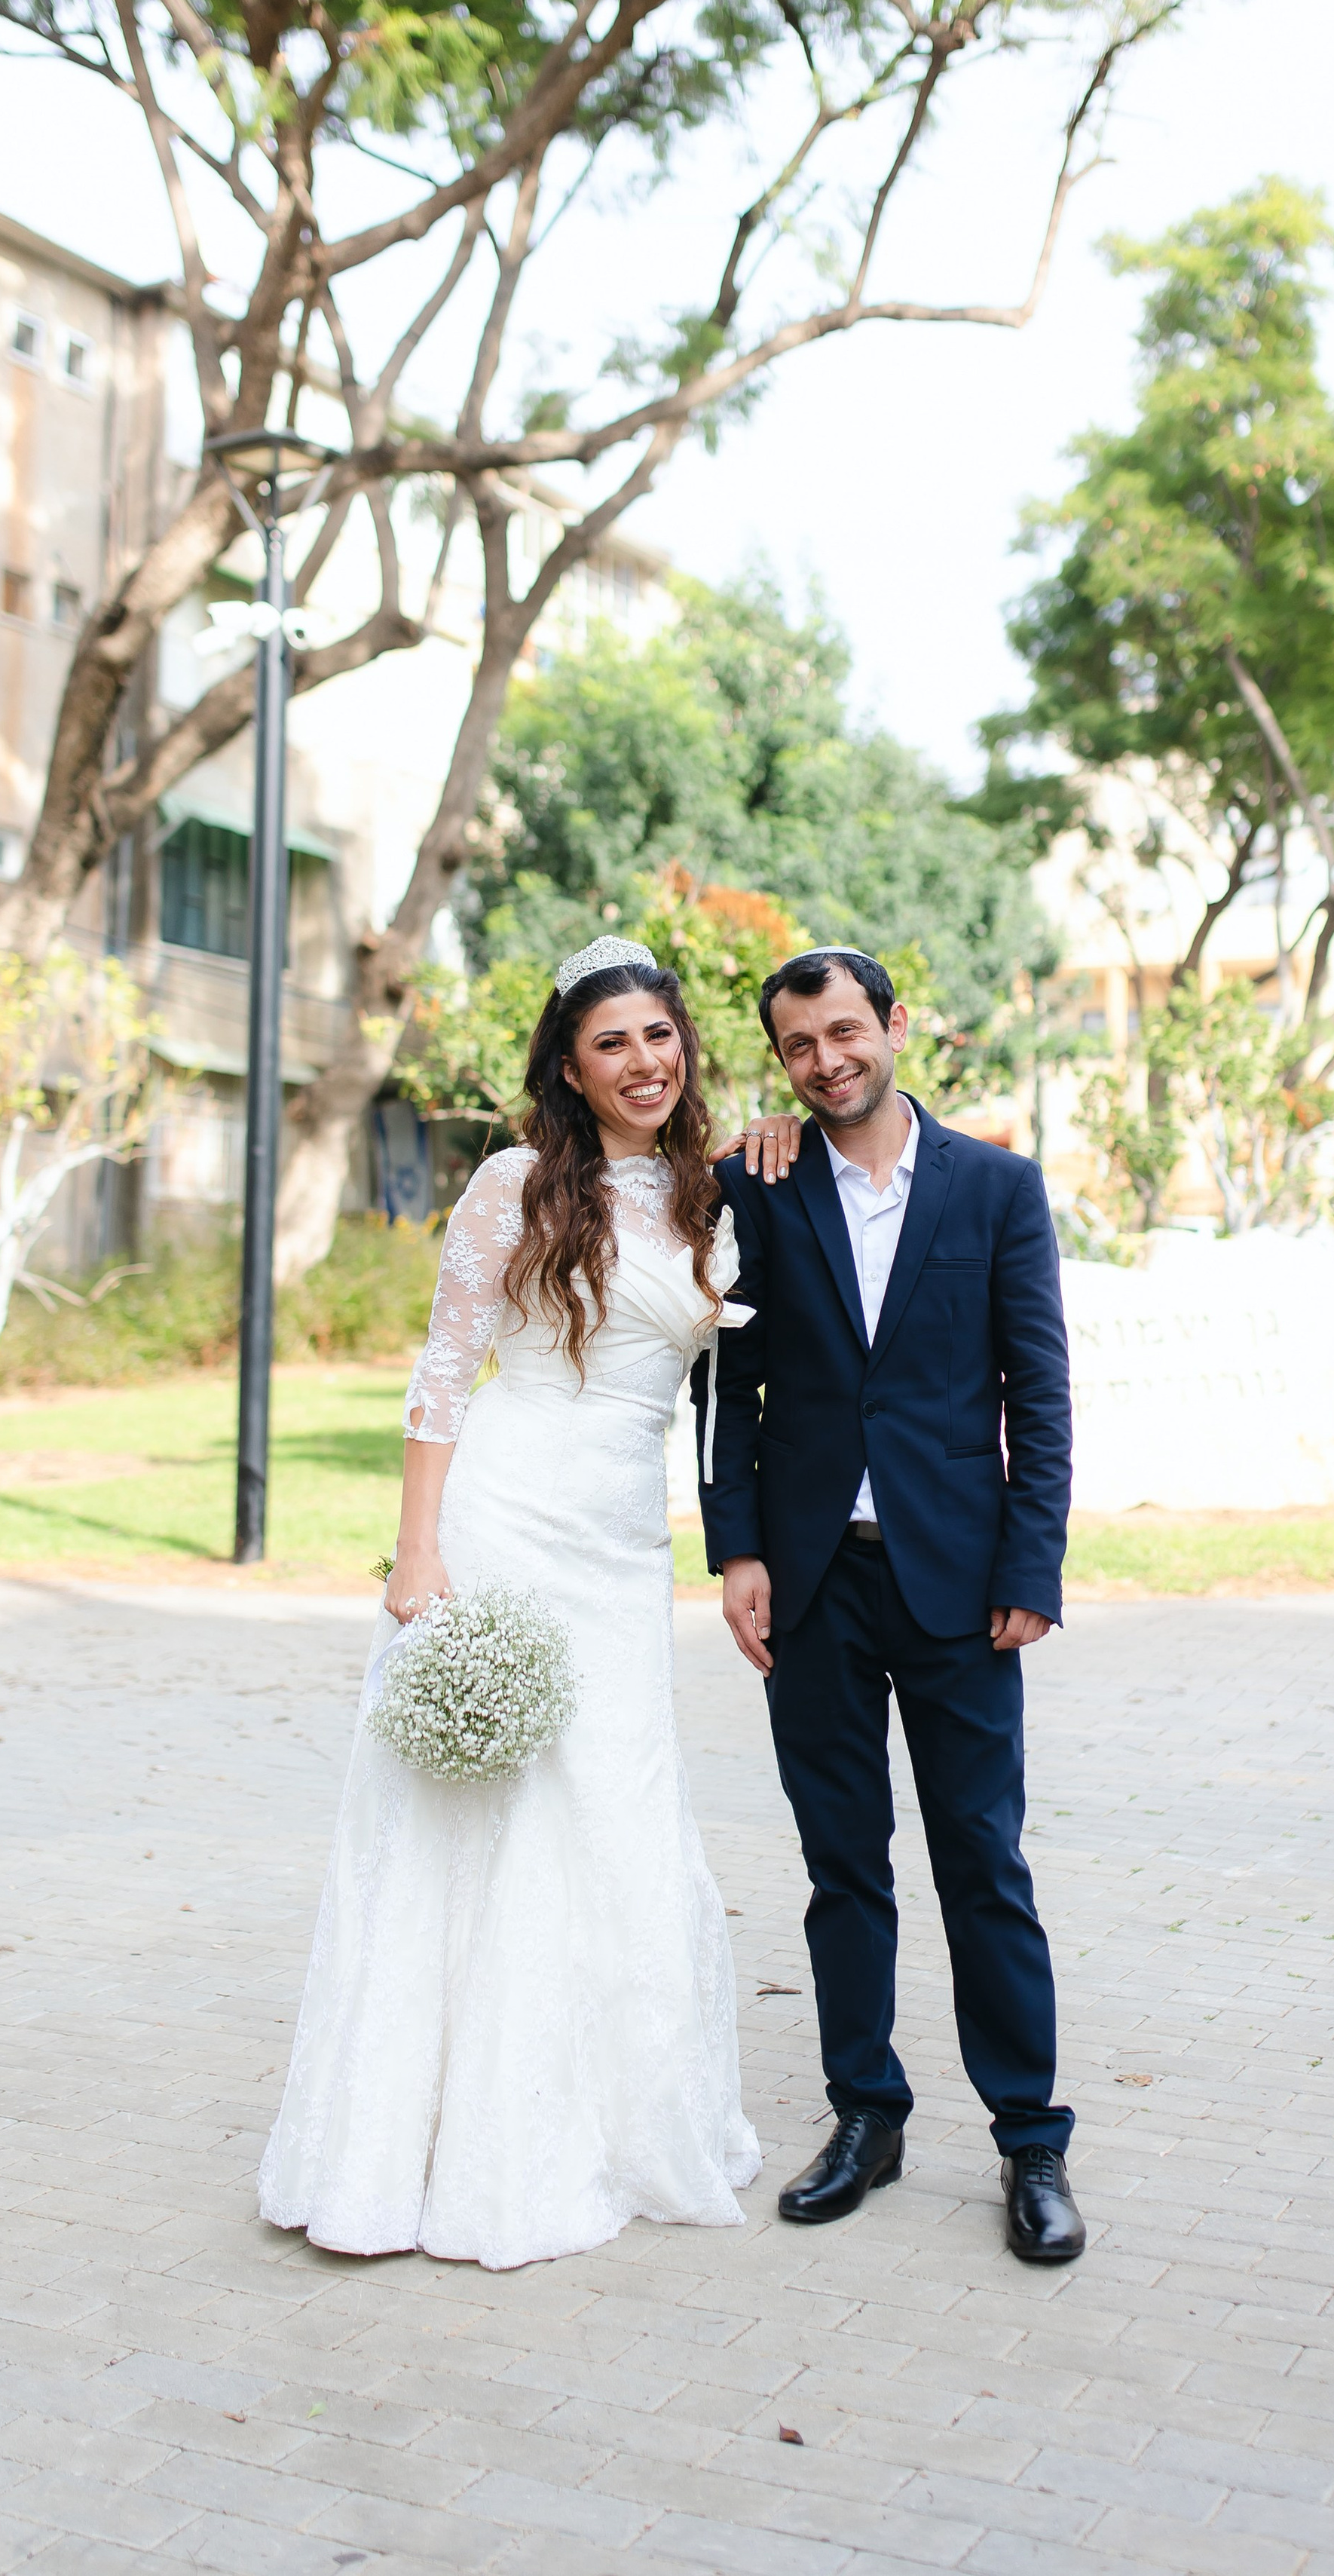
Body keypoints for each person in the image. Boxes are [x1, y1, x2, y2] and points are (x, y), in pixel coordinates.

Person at [259, 937, 767, 2270]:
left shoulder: (716, 1193)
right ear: (568, 1064)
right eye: (611, 1043)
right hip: (503, 1510)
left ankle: (597, 2117)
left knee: (614, 1805)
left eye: (660, 1036)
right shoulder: (517, 1183)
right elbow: (443, 1372)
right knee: (475, 1821)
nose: (642, 1061)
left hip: (617, 1542)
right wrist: (415, 1552)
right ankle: (428, 2150)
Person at [697, 948, 1082, 2263]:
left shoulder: (996, 1187)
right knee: (840, 1865)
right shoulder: (757, 1182)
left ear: (894, 1026)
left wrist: (1032, 1567)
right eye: (800, 1045)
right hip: (811, 1583)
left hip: (959, 1587)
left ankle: (1031, 2137)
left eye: (845, 1031)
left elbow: (1040, 1391)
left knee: (984, 1860)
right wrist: (735, 1551)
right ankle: (867, 2110)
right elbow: (730, 1394)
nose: (827, 1061)